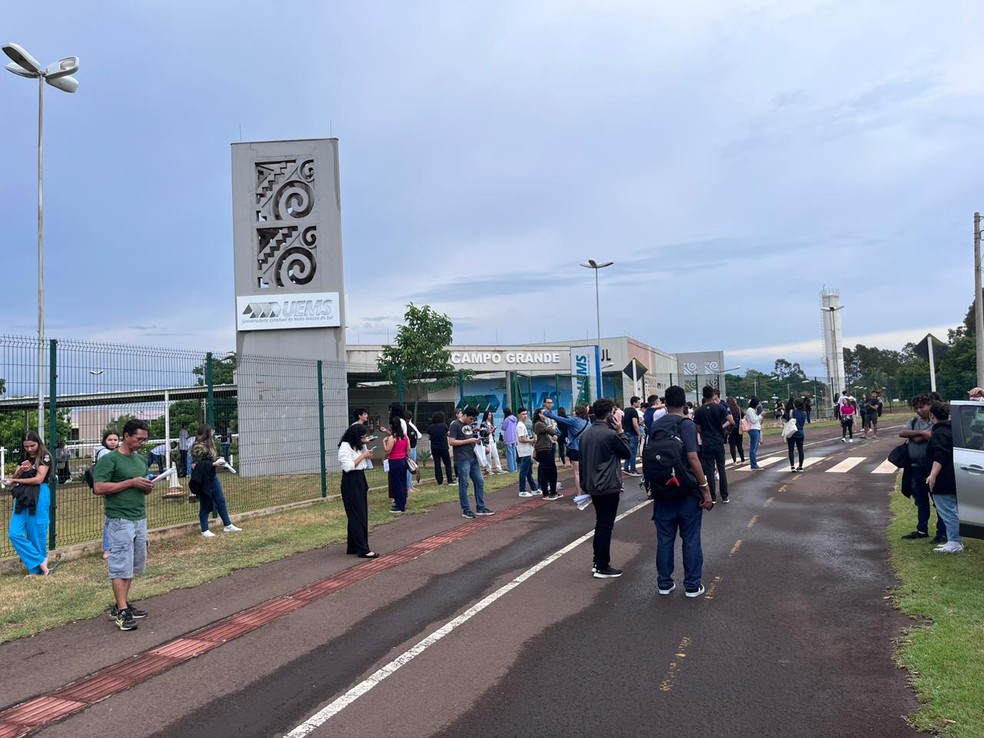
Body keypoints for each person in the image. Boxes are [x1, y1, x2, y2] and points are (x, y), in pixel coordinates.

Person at [649, 385, 714, 597]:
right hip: (686, 490)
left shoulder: (656, 425)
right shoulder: (686, 424)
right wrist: (705, 488)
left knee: (665, 540)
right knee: (691, 538)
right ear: (684, 403)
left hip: (663, 490)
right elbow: (693, 458)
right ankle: (692, 585)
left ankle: (664, 583)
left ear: (665, 403)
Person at [93, 419, 154, 631]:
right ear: (126, 436)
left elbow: (143, 484)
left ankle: (123, 604)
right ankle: (121, 611)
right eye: (139, 439)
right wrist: (130, 482)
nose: (142, 443)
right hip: (119, 519)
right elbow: (98, 487)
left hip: (139, 517)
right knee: (120, 563)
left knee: (133, 563)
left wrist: (146, 487)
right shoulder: (110, 460)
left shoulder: (140, 459)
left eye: (145, 440)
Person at [578, 398, 630, 578]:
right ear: (609, 415)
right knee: (605, 526)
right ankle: (602, 565)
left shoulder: (586, 434)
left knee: (601, 523)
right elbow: (626, 452)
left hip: (592, 485)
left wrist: (584, 484)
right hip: (608, 485)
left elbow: (583, 461)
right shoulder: (611, 434)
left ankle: (597, 561)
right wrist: (621, 431)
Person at [899, 394, 946, 544]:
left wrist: (917, 435)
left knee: (938, 501)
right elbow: (902, 433)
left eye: (922, 407)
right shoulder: (914, 422)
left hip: (931, 468)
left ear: (931, 405)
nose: (919, 410)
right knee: (920, 501)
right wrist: (921, 433)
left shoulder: (937, 421)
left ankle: (942, 532)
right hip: (915, 467)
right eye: (916, 408)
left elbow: (930, 437)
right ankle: (921, 530)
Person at [7, 431, 54, 576]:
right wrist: (21, 471)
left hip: (39, 493)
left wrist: (16, 481)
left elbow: (39, 479)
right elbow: (13, 477)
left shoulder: (45, 456)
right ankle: (41, 561)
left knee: (37, 530)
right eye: (26, 446)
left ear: (38, 443)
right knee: (14, 533)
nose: (29, 449)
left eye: (32, 445)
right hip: (23, 495)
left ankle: (36, 571)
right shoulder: (24, 457)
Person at [190, 424, 243, 537]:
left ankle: (227, 525)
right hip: (203, 478)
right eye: (211, 431)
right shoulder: (198, 446)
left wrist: (217, 461)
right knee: (205, 502)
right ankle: (205, 529)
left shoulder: (211, 444)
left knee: (220, 500)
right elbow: (195, 465)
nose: (213, 433)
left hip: (212, 475)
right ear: (206, 433)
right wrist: (213, 464)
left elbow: (211, 459)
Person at [926, 401, 963, 553]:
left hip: (943, 479)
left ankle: (955, 541)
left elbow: (939, 455)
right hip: (954, 476)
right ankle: (953, 539)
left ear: (931, 415)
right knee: (952, 510)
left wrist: (932, 475)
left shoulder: (939, 433)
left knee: (947, 511)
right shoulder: (953, 430)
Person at [338, 423, 378, 558]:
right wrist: (363, 456)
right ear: (355, 437)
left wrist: (366, 451)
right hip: (351, 480)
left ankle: (353, 546)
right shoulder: (345, 447)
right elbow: (348, 466)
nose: (364, 439)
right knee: (357, 515)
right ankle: (363, 549)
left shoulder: (356, 446)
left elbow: (363, 463)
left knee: (360, 514)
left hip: (360, 478)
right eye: (362, 437)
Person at [448, 406, 495, 518]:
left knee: (480, 481)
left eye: (474, 419)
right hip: (462, 458)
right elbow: (452, 442)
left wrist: (477, 440)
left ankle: (481, 507)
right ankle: (466, 509)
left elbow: (468, 436)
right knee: (464, 484)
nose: (472, 421)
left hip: (473, 456)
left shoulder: (468, 426)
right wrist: (468, 440)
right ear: (465, 415)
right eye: (471, 419)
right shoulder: (455, 425)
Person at [693, 386, 732, 503]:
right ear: (713, 395)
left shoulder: (699, 410)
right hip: (718, 440)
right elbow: (731, 421)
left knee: (709, 469)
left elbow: (698, 427)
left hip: (706, 442)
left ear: (703, 395)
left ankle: (713, 497)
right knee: (721, 468)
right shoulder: (720, 408)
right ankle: (725, 496)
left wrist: (703, 432)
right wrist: (721, 428)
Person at [545, 405, 590, 495]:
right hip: (586, 449)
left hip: (575, 448)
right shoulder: (588, 422)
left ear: (577, 412)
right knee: (586, 471)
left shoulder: (574, 421)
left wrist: (546, 413)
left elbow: (559, 419)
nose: (573, 412)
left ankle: (578, 494)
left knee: (576, 472)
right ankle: (588, 490)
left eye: (574, 411)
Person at [96, 430, 121, 559]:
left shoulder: (117, 453)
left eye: (115, 440)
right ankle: (107, 548)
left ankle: (114, 546)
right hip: (109, 488)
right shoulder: (104, 453)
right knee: (110, 519)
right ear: (105, 441)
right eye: (110, 440)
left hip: (118, 488)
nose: (113, 442)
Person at [383, 417, 410, 514]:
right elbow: (408, 449)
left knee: (396, 483)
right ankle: (403, 502)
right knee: (403, 482)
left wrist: (384, 442)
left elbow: (388, 450)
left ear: (391, 426)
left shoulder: (392, 438)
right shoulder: (405, 436)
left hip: (395, 461)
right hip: (403, 460)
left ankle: (399, 505)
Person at [533, 408, 560, 499]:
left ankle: (551, 491)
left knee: (549, 470)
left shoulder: (541, 423)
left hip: (545, 448)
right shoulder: (539, 424)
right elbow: (550, 430)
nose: (544, 415)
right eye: (543, 413)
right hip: (543, 449)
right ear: (538, 414)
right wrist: (554, 427)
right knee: (548, 471)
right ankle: (548, 492)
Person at [515, 408, 539, 497]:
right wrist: (532, 440)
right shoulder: (520, 426)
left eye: (526, 414)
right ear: (519, 415)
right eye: (523, 414)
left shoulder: (523, 425)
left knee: (529, 472)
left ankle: (534, 488)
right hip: (524, 452)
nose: (525, 416)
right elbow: (521, 439)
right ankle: (522, 490)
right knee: (524, 472)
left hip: (527, 451)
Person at [427, 412, 454, 485]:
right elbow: (448, 434)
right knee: (447, 463)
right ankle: (449, 479)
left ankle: (439, 480)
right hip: (443, 447)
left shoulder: (430, 426)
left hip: (434, 447)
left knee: (437, 464)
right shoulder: (444, 425)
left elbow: (429, 438)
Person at [621, 396, 642, 476]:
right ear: (634, 403)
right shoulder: (634, 411)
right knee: (633, 452)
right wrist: (639, 433)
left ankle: (626, 468)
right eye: (638, 402)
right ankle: (633, 470)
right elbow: (634, 423)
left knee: (628, 451)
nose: (639, 403)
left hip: (626, 432)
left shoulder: (626, 410)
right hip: (633, 434)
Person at [480, 410, 504, 474]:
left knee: (496, 455)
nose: (490, 416)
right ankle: (489, 469)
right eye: (489, 415)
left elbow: (491, 432)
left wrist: (492, 430)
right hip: (487, 441)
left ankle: (499, 468)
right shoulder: (483, 423)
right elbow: (482, 433)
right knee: (488, 456)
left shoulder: (490, 423)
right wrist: (488, 432)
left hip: (492, 440)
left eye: (491, 415)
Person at [786, 399, 807, 472]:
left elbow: (786, 419)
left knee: (791, 449)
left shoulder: (792, 412)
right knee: (800, 449)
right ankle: (800, 466)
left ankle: (792, 466)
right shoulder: (804, 413)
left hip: (792, 432)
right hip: (800, 432)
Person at [745, 397, 765, 470]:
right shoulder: (750, 410)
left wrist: (760, 416)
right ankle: (753, 465)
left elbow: (756, 421)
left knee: (755, 447)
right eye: (757, 404)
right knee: (753, 448)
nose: (758, 405)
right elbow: (753, 420)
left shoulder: (753, 410)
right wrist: (760, 416)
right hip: (753, 429)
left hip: (756, 428)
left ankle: (754, 464)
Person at [726, 396, 745, 464]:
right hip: (739, 428)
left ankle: (734, 461)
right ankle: (742, 460)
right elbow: (743, 416)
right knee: (739, 445)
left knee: (732, 446)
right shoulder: (738, 409)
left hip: (731, 429)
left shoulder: (728, 410)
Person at [501, 408, 519, 472]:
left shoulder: (507, 419)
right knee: (514, 453)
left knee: (509, 454)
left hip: (508, 438)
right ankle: (515, 467)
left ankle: (510, 468)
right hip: (514, 437)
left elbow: (503, 428)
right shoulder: (515, 418)